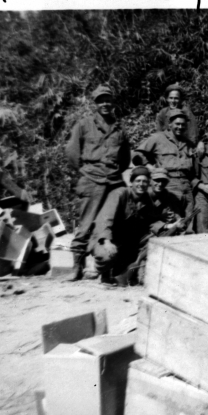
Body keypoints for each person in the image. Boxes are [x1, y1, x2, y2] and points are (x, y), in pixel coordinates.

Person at [65, 84, 131, 281]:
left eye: (108, 100)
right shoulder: (84, 124)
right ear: (95, 103)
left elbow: (125, 159)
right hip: (92, 180)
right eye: (101, 100)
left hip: (114, 182)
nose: (105, 103)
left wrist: (114, 172)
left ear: (113, 102)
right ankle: (77, 267)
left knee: (113, 224)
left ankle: (107, 269)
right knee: (85, 225)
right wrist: (85, 171)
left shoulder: (119, 129)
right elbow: (71, 152)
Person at [91, 167, 183, 286]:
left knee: (156, 240)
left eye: (144, 181)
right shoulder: (119, 194)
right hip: (105, 238)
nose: (141, 184)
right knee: (106, 254)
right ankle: (103, 274)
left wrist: (170, 225)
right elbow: (105, 220)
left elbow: (151, 221)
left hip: (126, 241)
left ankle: (128, 270)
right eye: (138, 181)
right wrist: (107, 241)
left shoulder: (146, 200)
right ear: (132, 182)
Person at [135, 108, 196, 219]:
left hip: (187, 185)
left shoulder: (188, 143)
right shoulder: (158, 138)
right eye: (177, 124)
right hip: (168, 184)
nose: (180, 127)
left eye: (183, 125)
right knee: (173, 219)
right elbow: (138, 155)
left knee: (189, 219)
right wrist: (150, 168)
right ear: (170, 124)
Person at [148, 167, 188, 232]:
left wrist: (179, 221)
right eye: (157, 180)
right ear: (150, 181)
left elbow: (175, 213)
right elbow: (144, 220)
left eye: (163, 181)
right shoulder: (144, 197)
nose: (160, 184)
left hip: (162, 229)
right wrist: (161, 218)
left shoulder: (168, 196)